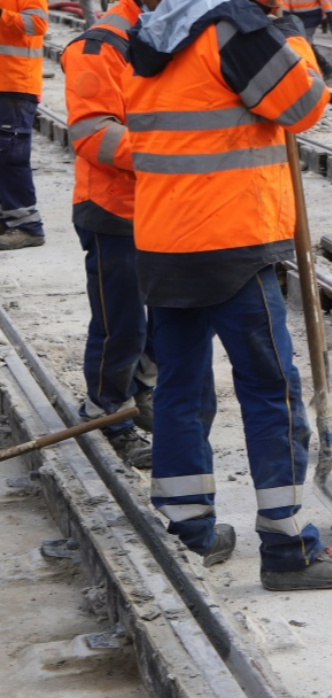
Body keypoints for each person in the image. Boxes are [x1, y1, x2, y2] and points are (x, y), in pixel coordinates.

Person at [125, 0, 332, 589]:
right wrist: (290, 36)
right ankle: (288, 548)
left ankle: (189, 530)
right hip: (231, 243)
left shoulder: (156, 31)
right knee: (271, 392)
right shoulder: (234, 28)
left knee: (180, 390)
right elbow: (304, 104)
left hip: (163, 243)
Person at [61, 0, 156, 472]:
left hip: (164, 207)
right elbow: (94, 134)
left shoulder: (175, 37)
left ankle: (142, 392)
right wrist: (169, 154)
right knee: (121, 323)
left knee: (165, 317)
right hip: (112, 209)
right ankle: (108, 411)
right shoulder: (98, 48)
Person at [0, 0, 47, 251]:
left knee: (10, 156)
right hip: (4, 84)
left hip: (16, 83)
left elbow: (36, 23)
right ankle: (7, 220)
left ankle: (28, 226)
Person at [279, 0, 332, 77]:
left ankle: (321, 67)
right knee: (306, 43)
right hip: (297, 19)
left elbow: (325, 3)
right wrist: (285, 20)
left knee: (305, 43)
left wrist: (331, 20)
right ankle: (323, 67)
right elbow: (286, 6)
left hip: (312, 17)